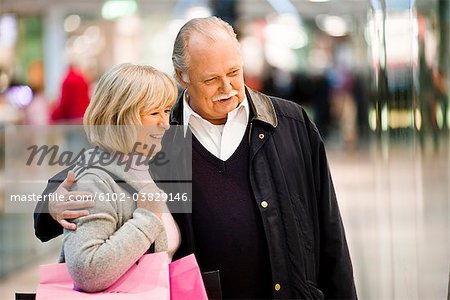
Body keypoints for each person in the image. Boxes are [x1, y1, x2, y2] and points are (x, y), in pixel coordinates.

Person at [34, 17, 357, 299]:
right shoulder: (154, 129)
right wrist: (51, 203)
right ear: (181, 76)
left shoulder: (289, 122)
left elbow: (330, 228)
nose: (227, 87)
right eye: (210, 79)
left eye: (234, 72)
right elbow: (85, 174)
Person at [55, 63, 180, 292]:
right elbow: (87, 271)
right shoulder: (93, 181)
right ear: (122, 117)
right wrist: (147, 219)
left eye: (166, 110)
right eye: (154, 113)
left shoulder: (146, 165)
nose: (165, 122)